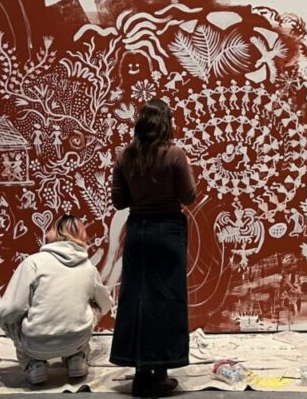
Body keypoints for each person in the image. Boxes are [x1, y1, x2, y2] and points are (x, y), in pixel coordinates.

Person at [110, 99, 198, 396]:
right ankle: (161, 373)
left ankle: (140, 374)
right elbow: (188, 197)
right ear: (165, 124)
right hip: (168, 231)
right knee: (167, 300)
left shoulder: (125, 157)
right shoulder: (175, 155)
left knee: (136, 299)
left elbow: (119, 202)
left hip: (138, 231)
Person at [0, 215, 113, 386]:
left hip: (36, 344)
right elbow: (106, 304)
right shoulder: (89, 268)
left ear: (56, 233)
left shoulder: (33, 263)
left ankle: (33, 364)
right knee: (92, 308)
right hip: (76, 341)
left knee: (3, 312)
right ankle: (77, 358)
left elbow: (12, 308)